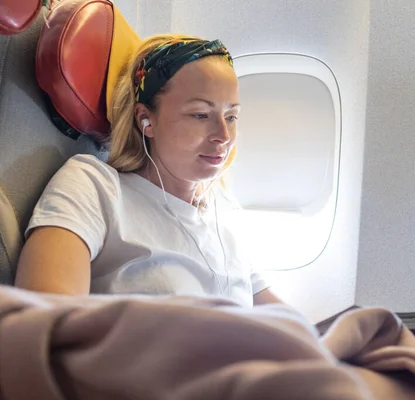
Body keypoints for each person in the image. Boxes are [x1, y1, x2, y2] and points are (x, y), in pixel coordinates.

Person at [14, 34, 281, 307]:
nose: (223, 136)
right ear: (146, 120)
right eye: (201, 115)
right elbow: (42, 324)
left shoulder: (225, 211)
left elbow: (286, 324)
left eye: (231, 116)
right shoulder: (96, 188)